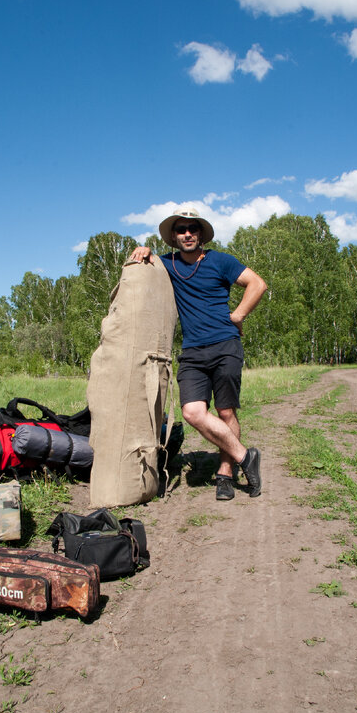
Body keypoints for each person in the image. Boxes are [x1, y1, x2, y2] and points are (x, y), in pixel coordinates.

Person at [129, 206, 268, 501]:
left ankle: (225, 475)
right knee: (193, 413)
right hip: (192, 351)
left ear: (201, 234)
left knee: (226, 411)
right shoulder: (168, 265)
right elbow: (147, 263)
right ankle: (246, 457)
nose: (187, 234)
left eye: (193, 229)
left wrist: (239, 315)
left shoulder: (220, 261)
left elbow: (257, 283)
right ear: (174, 237)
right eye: (181, 230)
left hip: (225, 345)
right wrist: (143, 249)